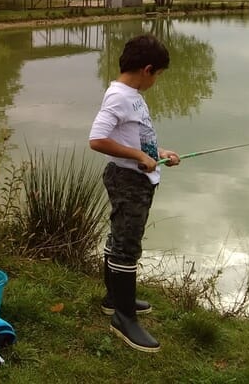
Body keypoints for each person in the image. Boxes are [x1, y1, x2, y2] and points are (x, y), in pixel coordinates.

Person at [89, 34, 180, 353]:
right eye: (158, 75)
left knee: (119, 238)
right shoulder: (119, 97)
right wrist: (139, 157)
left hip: (136, 177)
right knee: (127, 246)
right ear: (148, 69)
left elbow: (134, 137)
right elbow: (97, 139)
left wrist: (158, 152)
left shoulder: (131, 94)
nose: (156, 81)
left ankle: (115, 299)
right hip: (128, 180)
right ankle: (124, 320)